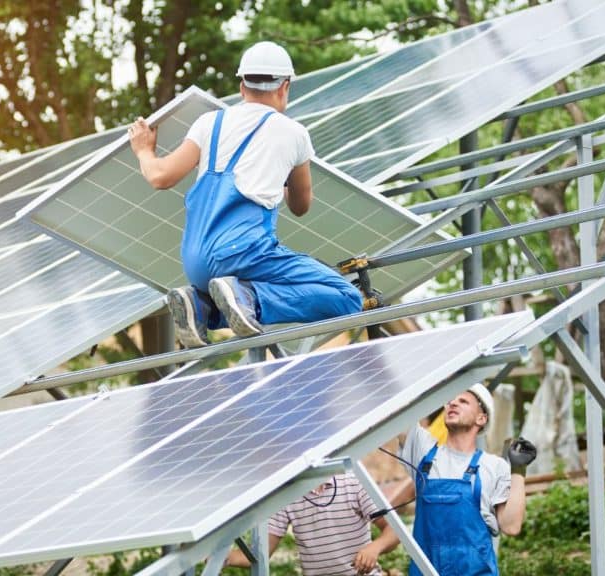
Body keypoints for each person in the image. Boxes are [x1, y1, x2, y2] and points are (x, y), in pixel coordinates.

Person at [128, 41, 362, 349]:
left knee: (232, 293)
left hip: (195, 260)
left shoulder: (209, 123)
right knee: (347, 298)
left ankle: (201, 306)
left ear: (242, 86)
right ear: (285, 87)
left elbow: (159, 177)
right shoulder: (293, 134)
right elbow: (301, 205)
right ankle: (248, 296)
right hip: (244, 253)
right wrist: (280, 176)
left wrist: (144, 150)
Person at [392, 383, 537, 575]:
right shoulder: (423, 451)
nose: (452, 403)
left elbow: (511, 526)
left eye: (463, 401)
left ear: (481, 418)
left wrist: (518, 470)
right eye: (450, 400)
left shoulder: (494, 466)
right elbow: (397, 406)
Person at [225, 472, 399, 575]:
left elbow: (394, 530)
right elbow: (258, 554)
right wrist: (222, 557)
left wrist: (374, 548)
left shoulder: (353, 482)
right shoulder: (287, 495)